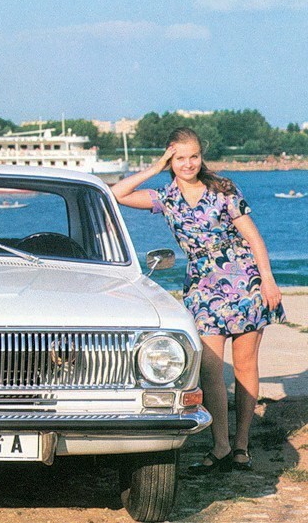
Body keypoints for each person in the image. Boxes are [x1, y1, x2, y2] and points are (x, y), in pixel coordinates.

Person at [111, 127, 285, 474]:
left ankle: (241, 446)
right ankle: (220, 445)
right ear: (171, 160)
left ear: (201, 156)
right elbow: (117, 193)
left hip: (244, 279)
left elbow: (253, 237)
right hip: (203, 286)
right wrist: (157, 166)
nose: (188, 163)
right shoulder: (166, 197)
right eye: (179, 157)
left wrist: (268, 280)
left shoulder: (223, 190)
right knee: (209, 369)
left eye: (193, 156)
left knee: (246, 365)